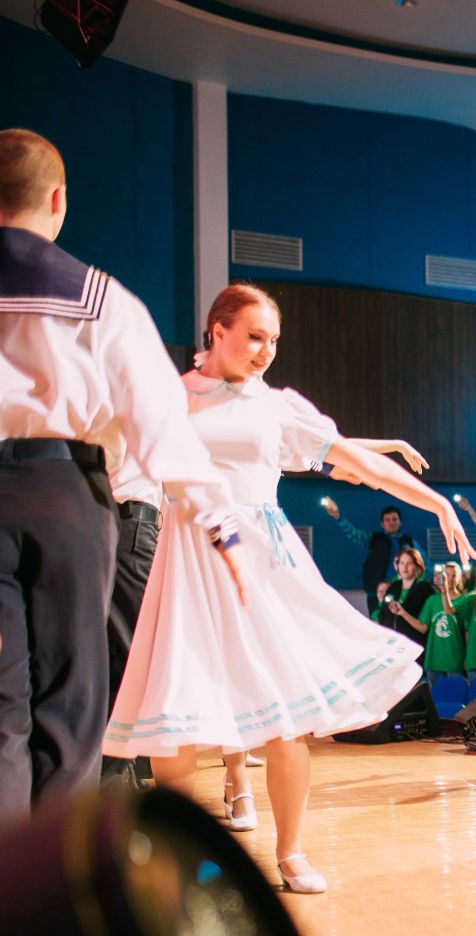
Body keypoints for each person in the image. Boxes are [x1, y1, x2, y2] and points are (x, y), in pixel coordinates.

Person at [105, 283, 472, 892]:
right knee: (177, 716)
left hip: (265, 560)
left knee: (284, 714)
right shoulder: (170, 395)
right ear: (216, 331)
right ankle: (178, 854)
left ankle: (291, 852)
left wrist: (435, 502)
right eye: (254, 336)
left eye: (273, 340)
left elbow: (357, 460)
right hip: (190, 556)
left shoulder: (277, 406)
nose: (266, 351)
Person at [1, 129, 245, 819]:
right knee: (72, 700)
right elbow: (161, 429)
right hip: (66, 493)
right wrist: (224, 530)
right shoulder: (100, 298)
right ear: (57, 199)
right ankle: (54, 874)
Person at [323, 500, 416, 612]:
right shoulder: (374, 539)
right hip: (376, 593)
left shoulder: (408, 542)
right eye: (387, 520)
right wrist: (338, 517)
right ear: (382, 524)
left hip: (402, 592)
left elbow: (423, 563)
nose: (391, 522)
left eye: (394, 519)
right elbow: (354, 533)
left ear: (400, 522)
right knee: (378, 621)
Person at [375, 545, 435, 646]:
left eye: (409, 563)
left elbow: (426, 625)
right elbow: (383, 616)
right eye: (402, 563)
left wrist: (403, 613)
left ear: (417, 565)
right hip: (392, 644)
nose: (405, 567)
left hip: (415, 644)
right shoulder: (393, 587)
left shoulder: (426, 589)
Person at [420, 562, 467, 680]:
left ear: (459, 578)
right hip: (434, 659)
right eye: (447, 575)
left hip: (455, 659)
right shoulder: (432, 600)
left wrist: (468, 658)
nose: (450, 579)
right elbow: (422, 627)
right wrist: (402, 613)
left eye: (454, 575)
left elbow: (467, 632)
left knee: (456, 690)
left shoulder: (464, 600)